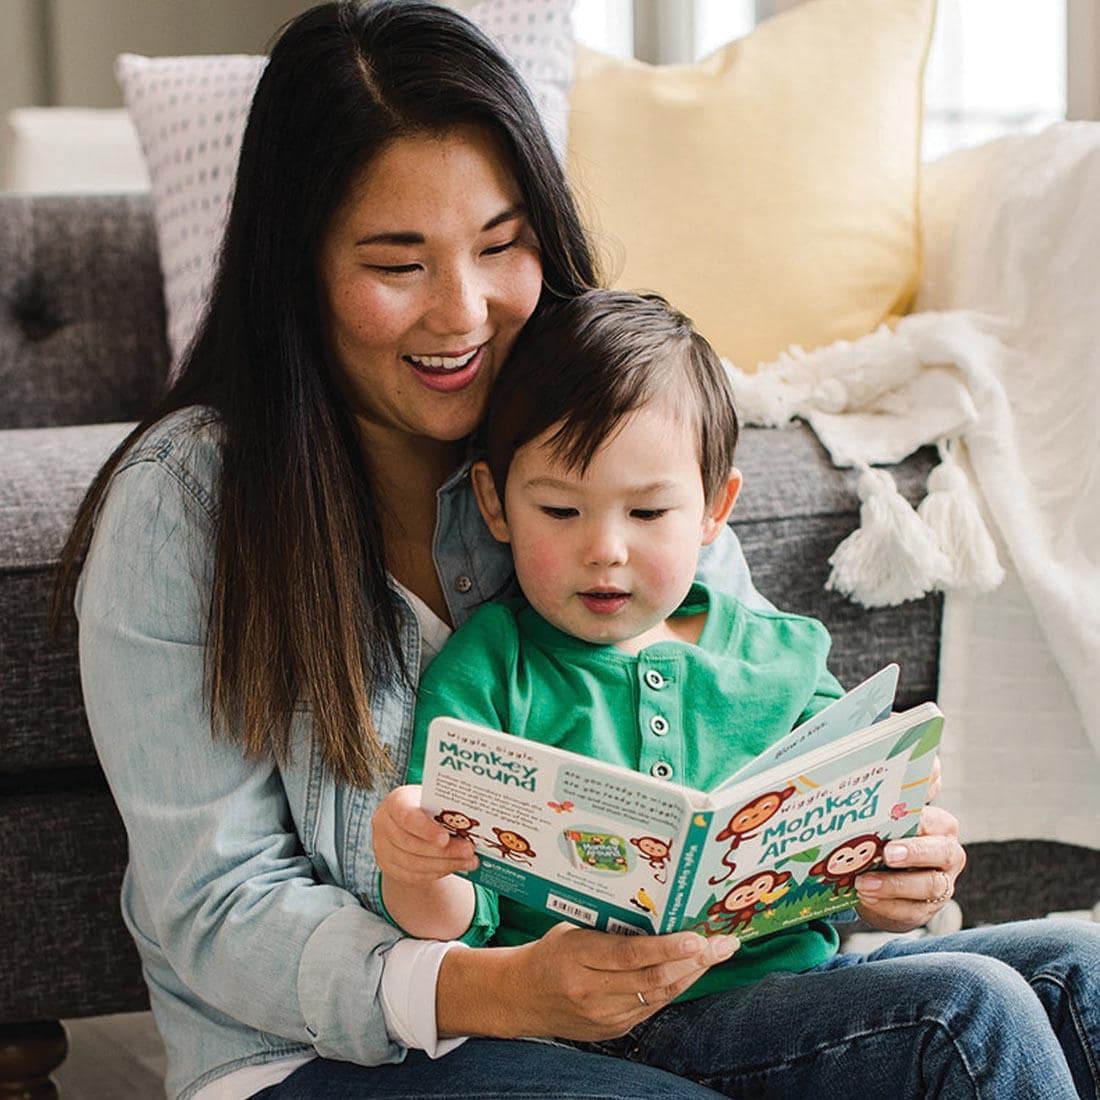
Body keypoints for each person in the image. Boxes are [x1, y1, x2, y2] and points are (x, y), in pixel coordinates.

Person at [50, 1, 1097, 1098]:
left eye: (500, 245)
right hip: (338, 1051)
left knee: (1075, 974)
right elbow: (220, 910)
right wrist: (513, 990)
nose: (463, 312)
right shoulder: (183, 506)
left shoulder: (594, 425)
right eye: (396, 261)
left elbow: (753, 763)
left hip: (689, 1002)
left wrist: (876, 869)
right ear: (296, 267)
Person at [373, 290, 1100, 1098]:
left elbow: (867, 853)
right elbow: (450, 921)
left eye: (648, 511)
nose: (605, 549)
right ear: (493, 504)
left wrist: (909, 872)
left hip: (805, 986)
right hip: (625, 1028)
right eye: (559, 510)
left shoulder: (781, 653)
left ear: (716, 507)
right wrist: (412, 866)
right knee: (967, 1010)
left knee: (1082, 965)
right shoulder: (488, 671)